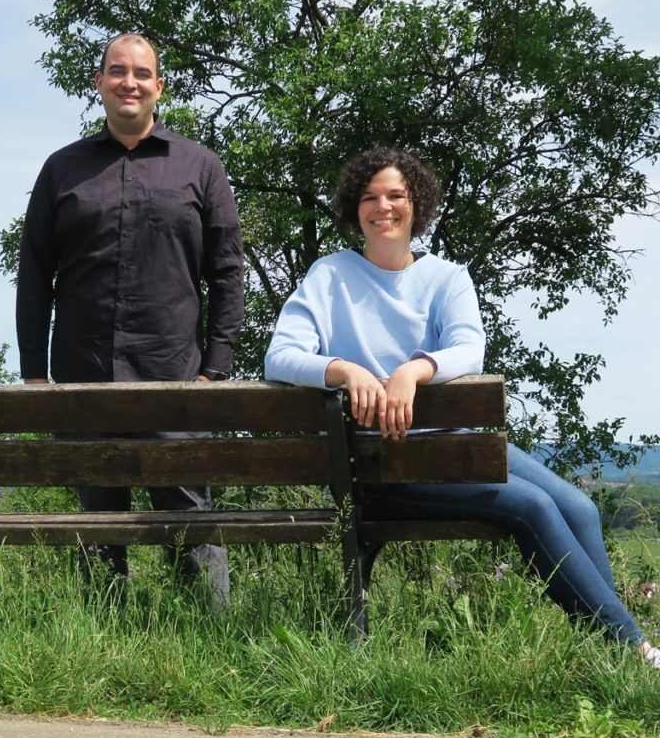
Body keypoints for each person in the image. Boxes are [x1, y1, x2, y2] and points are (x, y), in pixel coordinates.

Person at [264, 147, 659, 666]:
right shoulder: (329, 276)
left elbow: (469, 348)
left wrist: (413, 370)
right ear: (354, 208)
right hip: (379, 469)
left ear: (417, 203)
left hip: (449, 450)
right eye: (369, 197)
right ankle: (632, 649)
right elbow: (280, 356)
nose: (382, 207)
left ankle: (611, 647)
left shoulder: (447, 278)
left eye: (395, 195)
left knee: (580, 505)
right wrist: (346, 370)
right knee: (533, 505)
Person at [16, 33, 244, 609]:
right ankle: (101, 637)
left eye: (142, 73)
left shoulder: (200, 166)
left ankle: (210, 636)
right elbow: (35, 275)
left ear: (159, 87)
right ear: (99, 83)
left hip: (176, 374)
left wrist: (214, 369)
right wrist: (34, 375)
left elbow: (227, 272)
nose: (130, 82)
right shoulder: (62, 169)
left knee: (189, 513)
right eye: (117, 71)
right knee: (99, 519)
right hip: (82, 371)